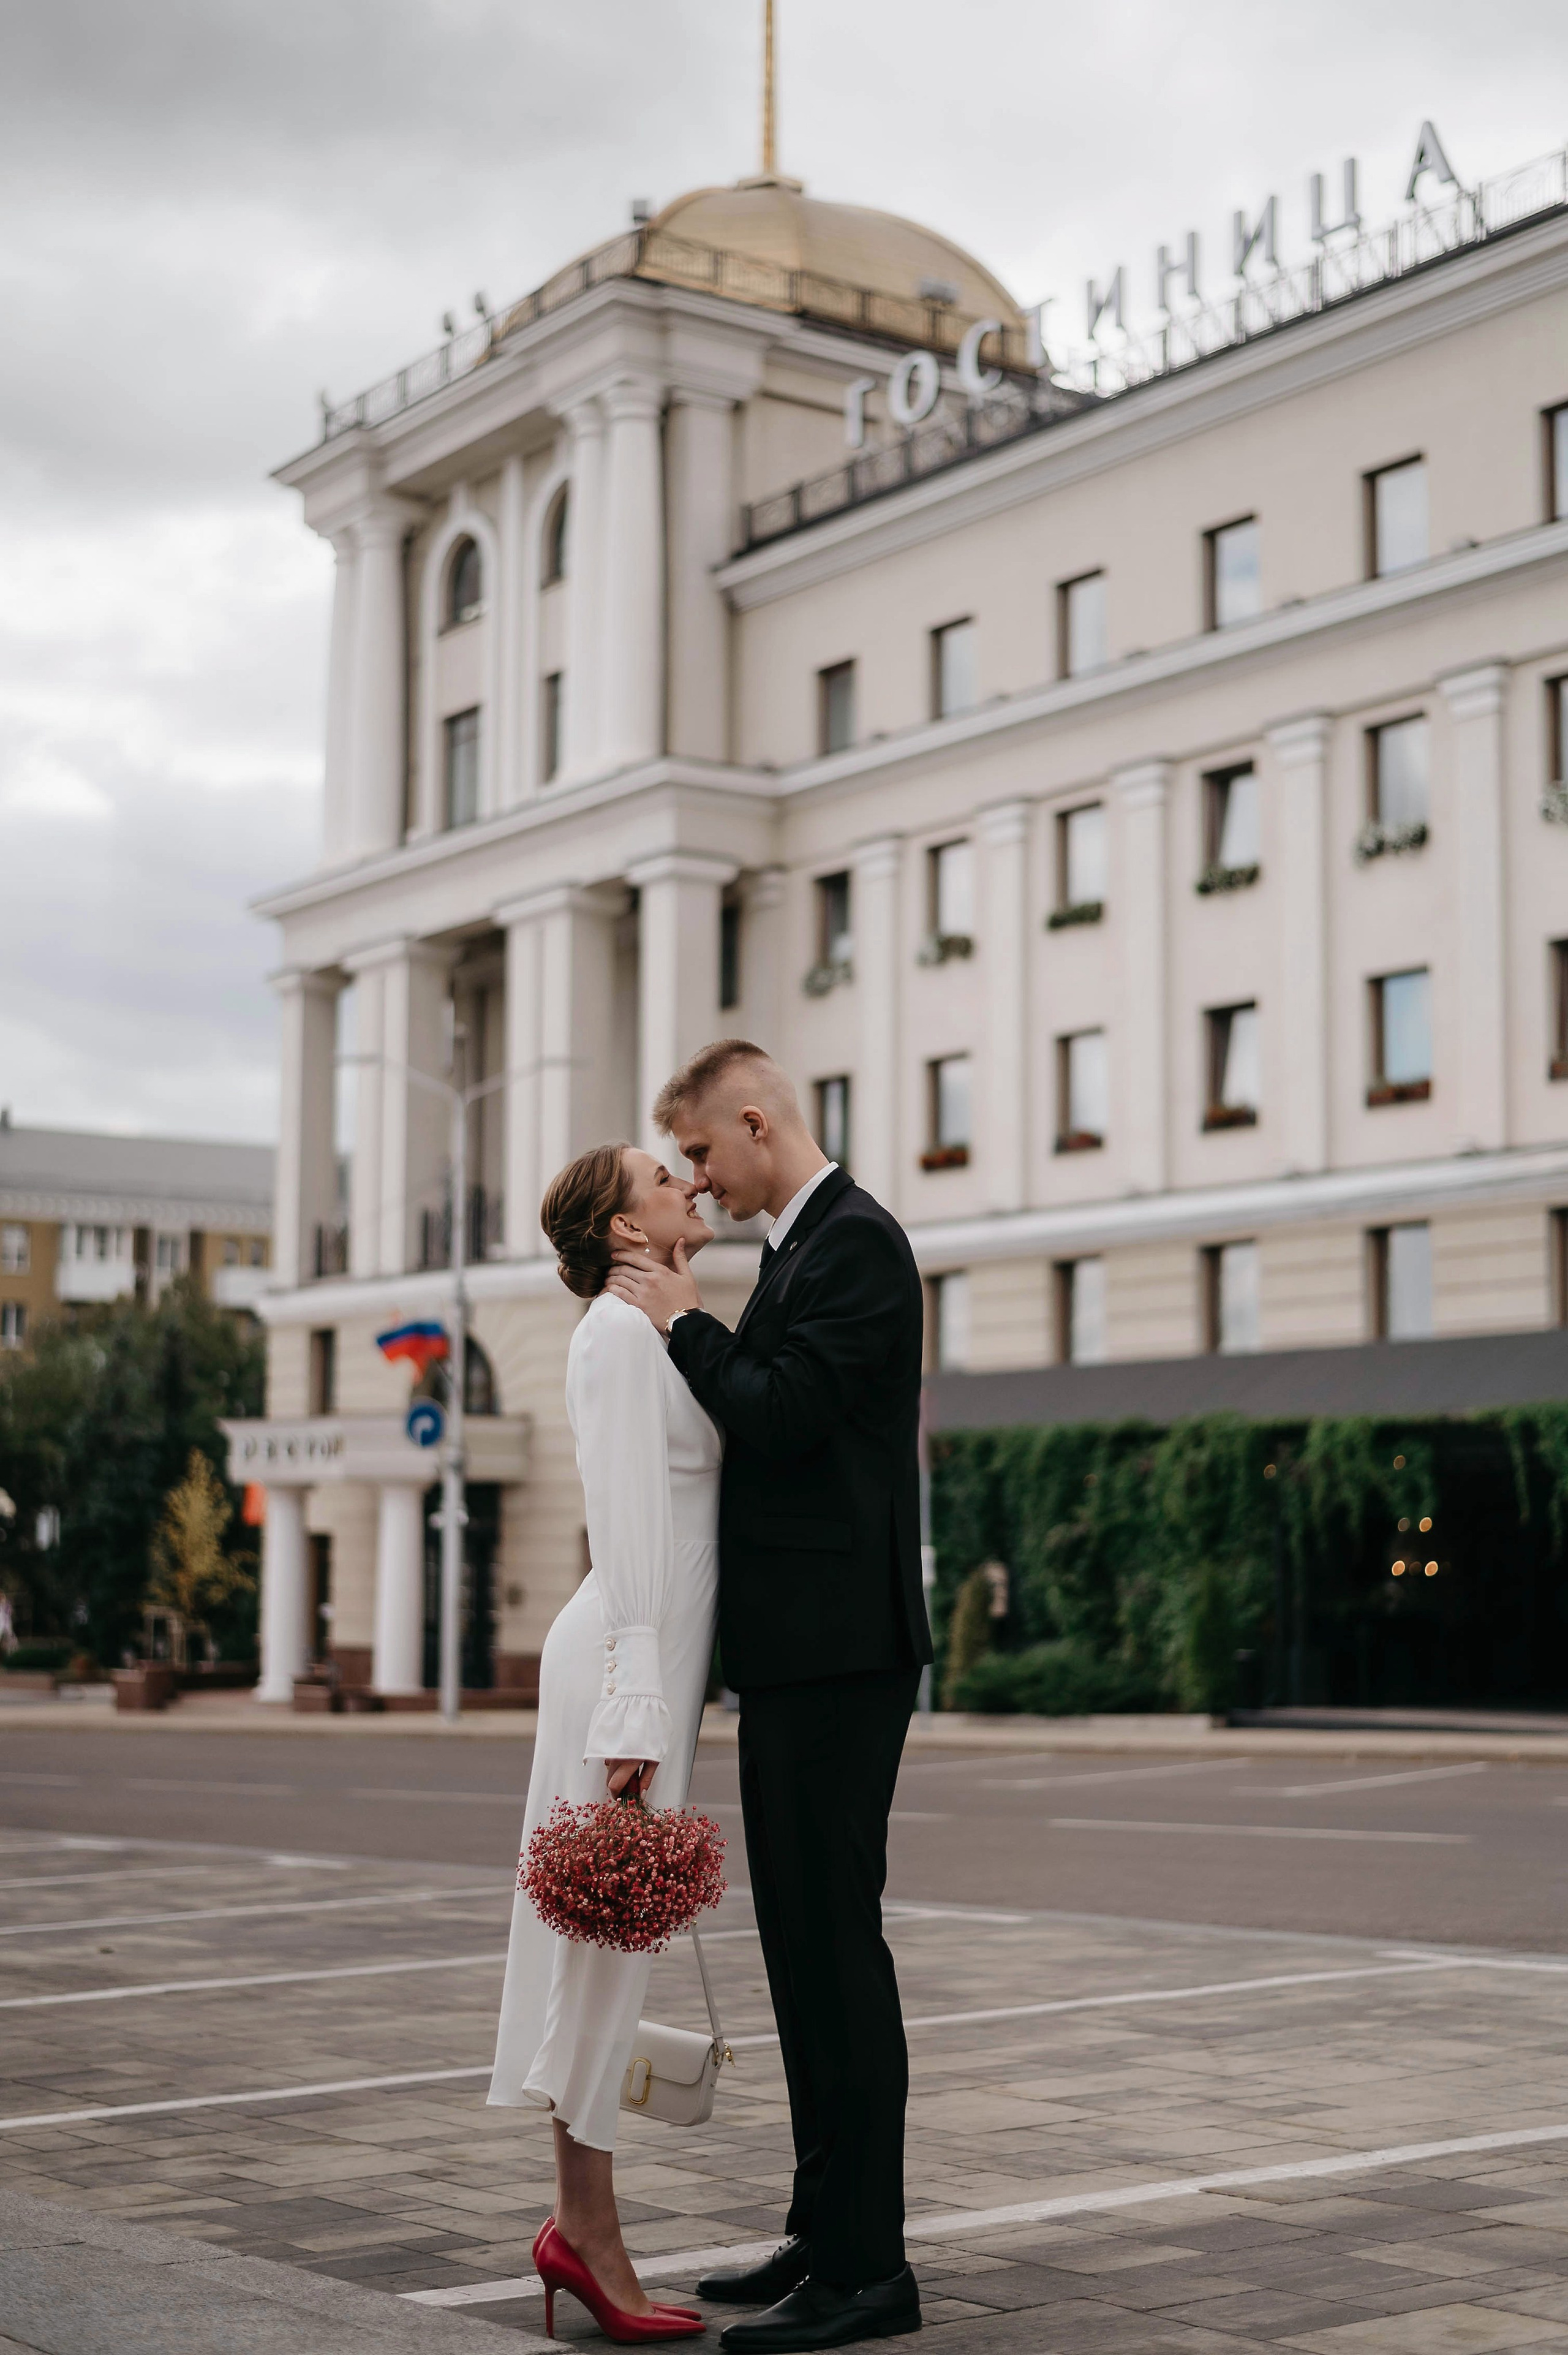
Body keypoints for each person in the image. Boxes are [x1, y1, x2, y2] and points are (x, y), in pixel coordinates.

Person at [606, 1040, 931, 2355]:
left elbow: (783, 1414)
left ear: (751, 1122)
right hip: (801, 1650)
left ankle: (871, 2269)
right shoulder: (800, 1248)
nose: (695, 1176)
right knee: (799, 1949)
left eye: (697, 1152)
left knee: (838, 1952)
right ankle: (822, 2226)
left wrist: (679, 1316)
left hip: (844, 1653)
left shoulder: (855, 1243)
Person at [488, 1142, 721, 2346]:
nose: (689, 1177)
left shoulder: (655, 1325)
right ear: (623, 1226)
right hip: (624, 1667)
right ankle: (587, 2232)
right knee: (599, 1953)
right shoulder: (616, 1337)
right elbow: (625, 1527)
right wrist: (633, 1716)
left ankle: (581, 2224)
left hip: (652, 1666)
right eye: (661, 1170)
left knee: (607, 1952)